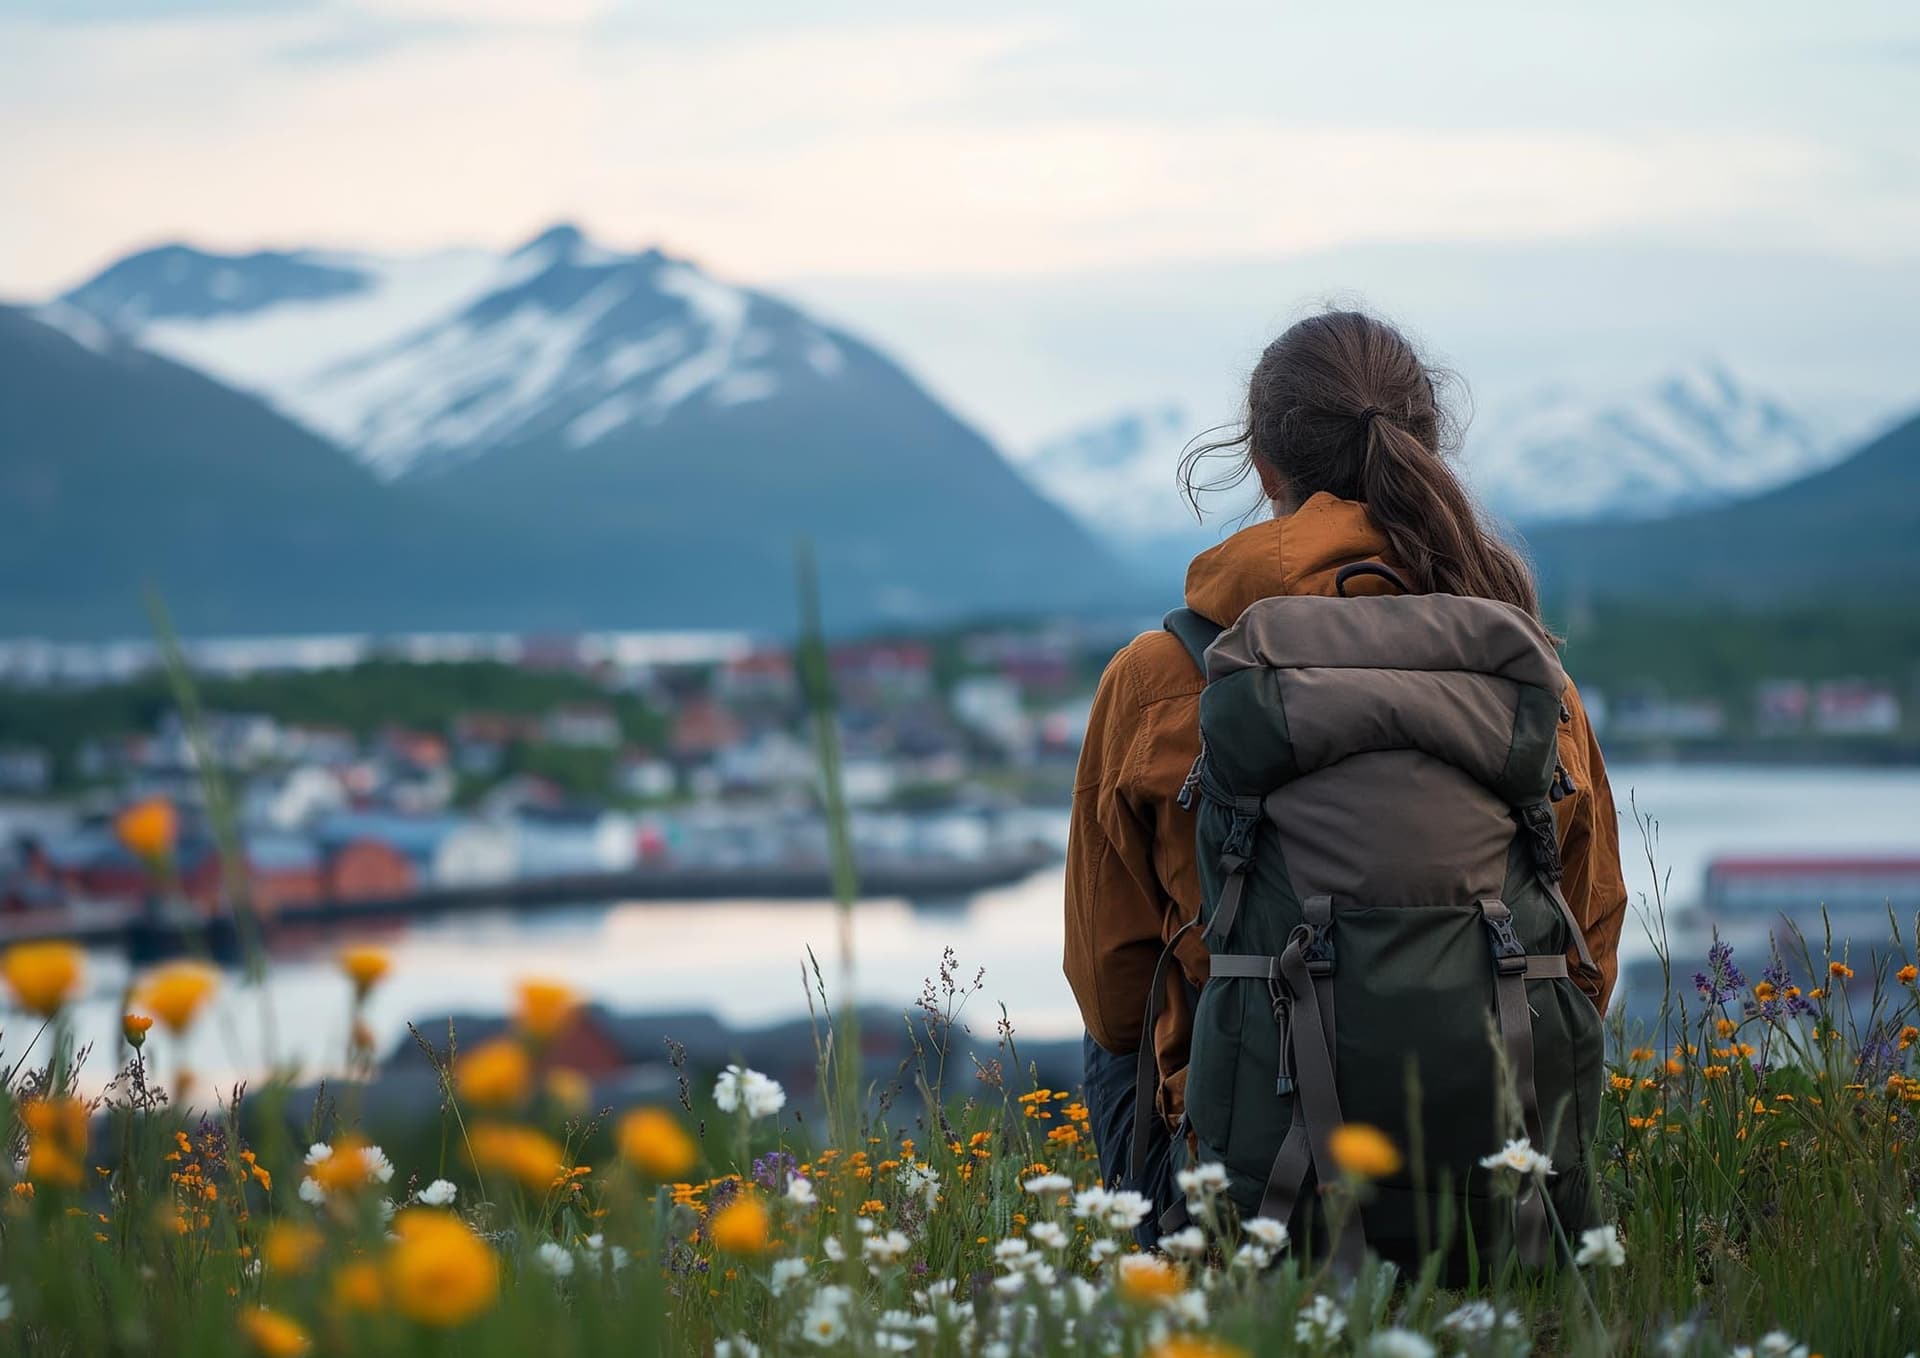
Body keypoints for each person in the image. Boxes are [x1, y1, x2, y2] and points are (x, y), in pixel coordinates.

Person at [1063, 309, 1628, 1224]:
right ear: (1429, 449)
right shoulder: (1525, 677)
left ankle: (1167, 1256)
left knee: (1113, 1032)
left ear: (1264, 466)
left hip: (1245, 1190)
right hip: (1495, 1173)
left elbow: (1111, 987)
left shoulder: (1164, 674)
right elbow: (1588, 948)